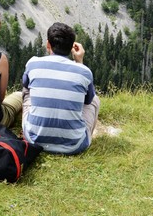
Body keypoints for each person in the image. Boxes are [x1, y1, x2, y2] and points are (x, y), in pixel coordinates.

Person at [21, 22, 100, 154]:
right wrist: (79, 62)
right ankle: (81, 132)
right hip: (75, 146)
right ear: (71, 48)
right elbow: (87, 101)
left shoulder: (33, 63)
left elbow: (25, 85)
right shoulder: (84, 71)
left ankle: (35, 125)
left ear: (48, 44)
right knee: (94, 99)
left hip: (33, 140)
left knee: (27, 91)